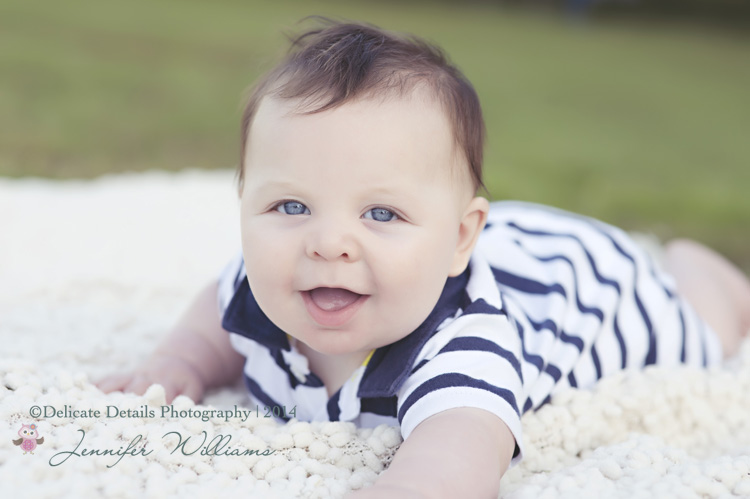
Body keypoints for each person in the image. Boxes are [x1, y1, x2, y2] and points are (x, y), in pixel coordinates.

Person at [97, 19, 750, 498]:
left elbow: (456, 461)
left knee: (701, 329)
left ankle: (707, 271)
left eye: (380, 213)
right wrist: (178, 359)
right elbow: (218, 302)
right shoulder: (263, 280)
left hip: (586, 284)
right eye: (291, 207)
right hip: (506, 241)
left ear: (459, 240)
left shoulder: (464, 345)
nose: (327, 242)